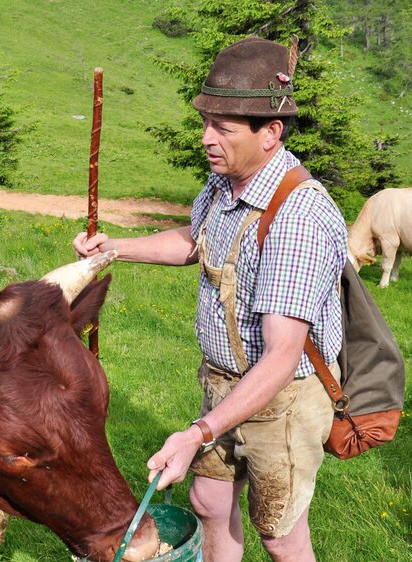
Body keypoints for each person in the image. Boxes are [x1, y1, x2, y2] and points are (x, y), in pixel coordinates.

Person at [72, 37, 347, 562]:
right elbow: (196, 242)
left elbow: (282, 358)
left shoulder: (297, 218)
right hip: (224, 385)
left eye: (222, 128)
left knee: (280, 534)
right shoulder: (225, 183)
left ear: (271, 133)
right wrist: (113, 250)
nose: (206, 139)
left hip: (283, 401)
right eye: (206, 123)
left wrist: (196, 432)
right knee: (208, 499)